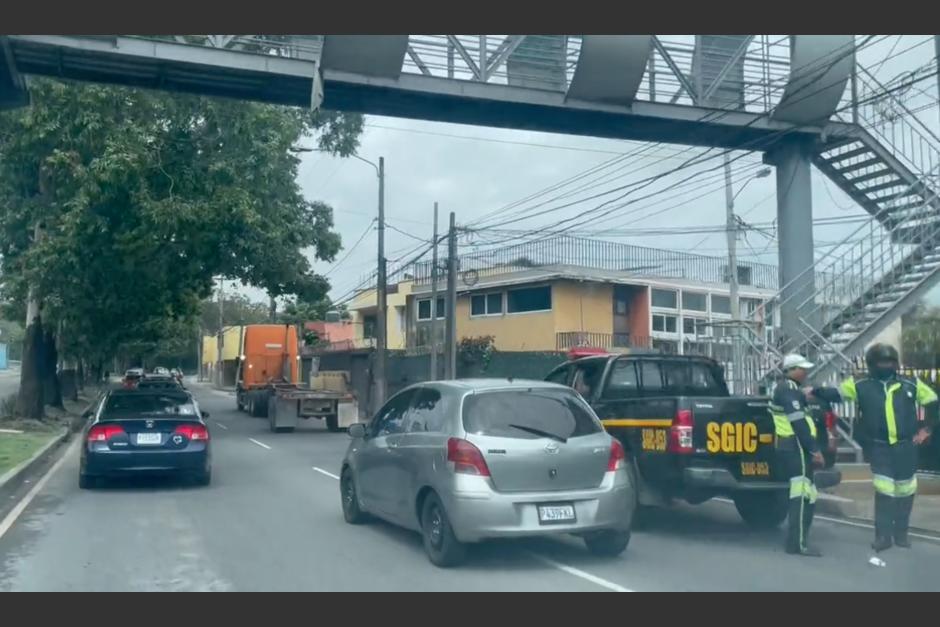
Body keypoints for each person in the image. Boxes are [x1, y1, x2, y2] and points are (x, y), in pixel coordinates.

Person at [839, 344, 938, 552]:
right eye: (881, 362)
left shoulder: (911, 384)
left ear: (895, 364)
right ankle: (883, 536)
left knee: (906, 490)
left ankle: (901, 534)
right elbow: (835, 394)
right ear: (872, 364)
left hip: (906, 446)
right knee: (884, 491)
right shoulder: (859, 384)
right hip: (879, 447)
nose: (886, 366)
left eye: (889, 362)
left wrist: (926, 430)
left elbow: (934, 404)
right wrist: (812, 393)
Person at [770, 353, 826, 557]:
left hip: (796, 448)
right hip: (796, 447)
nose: (806, 372)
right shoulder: (788, 391)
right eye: (802, 368)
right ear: (792, 370)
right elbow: (799, 424)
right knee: (801, 496)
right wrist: (814, 450)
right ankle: (797, 544)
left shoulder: (792, 390)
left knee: (806, 494)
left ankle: (799, 541)